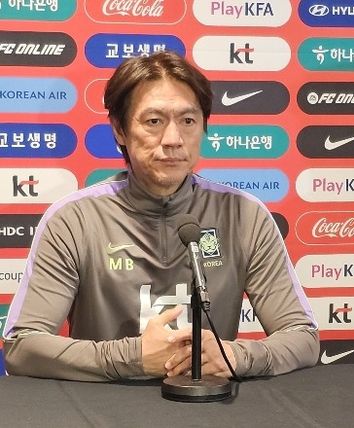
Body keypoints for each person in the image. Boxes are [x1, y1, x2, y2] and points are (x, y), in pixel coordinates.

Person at [2, 51, 319, 381]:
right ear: (120, 130)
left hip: (210, 404)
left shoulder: (244, 214)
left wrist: (235, 356)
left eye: (188, 121)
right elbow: (22, 346)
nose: (173, 140)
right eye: (154, 121)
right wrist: (132, 357)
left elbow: (302, 337)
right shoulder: (74, 220)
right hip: (102, 404)